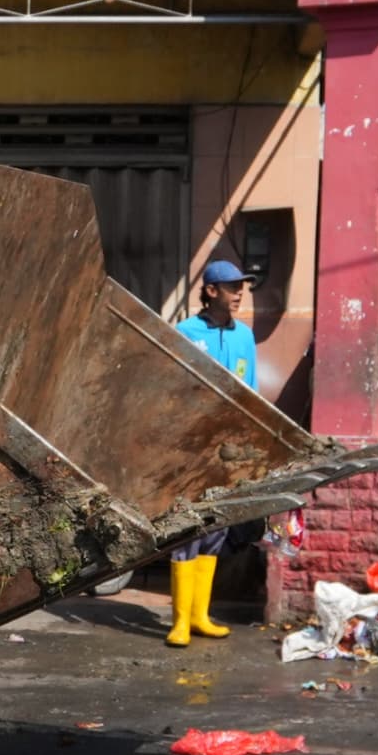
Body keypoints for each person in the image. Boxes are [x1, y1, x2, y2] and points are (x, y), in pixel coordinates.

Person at [164, 259, 261, 647]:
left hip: (230, 449)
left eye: (242, 287)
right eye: (232, 287)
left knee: (217, 528)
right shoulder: (185, 333)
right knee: (187, 528)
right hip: (192, 447)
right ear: (210, 291)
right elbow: (172, 389)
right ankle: (179, 621)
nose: (239, 294)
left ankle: (201, 615)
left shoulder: (246, 337)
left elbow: (250, 389)